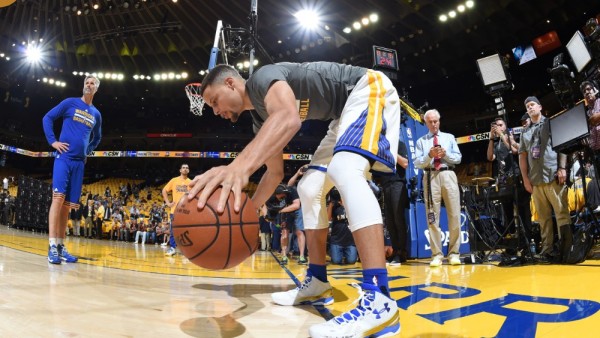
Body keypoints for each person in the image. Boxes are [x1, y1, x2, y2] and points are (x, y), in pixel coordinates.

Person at [188, 62, 401, 337]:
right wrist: (246, 216)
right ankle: (317, 281)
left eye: (214, 101)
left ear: (231, 84)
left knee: (345, 169)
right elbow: (274, 172)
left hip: (368, 88)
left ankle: (379, 300)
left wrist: (237, 167)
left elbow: (289, 117)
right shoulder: (260, 121)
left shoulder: (262, 78)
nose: (215, 111)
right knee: (310, 187)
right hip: (342, 115)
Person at [42, 75, 102, 264]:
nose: (88, 85)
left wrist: (87, 150)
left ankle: (60, 246)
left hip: (79, 163)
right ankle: (52, 246)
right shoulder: (70, 103)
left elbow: (97, 138)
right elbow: (48, 117)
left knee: (67, 207)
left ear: (96, 89)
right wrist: (53, 141)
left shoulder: (96, 114)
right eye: (86, 82)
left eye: (92, 83)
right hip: (64, 158)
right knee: (57, 200)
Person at [519, 96, 570, 259]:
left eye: (532, 105)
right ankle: (547, 250)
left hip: (553, 175)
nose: (530, 108)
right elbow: (522, 157)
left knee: (561, 213)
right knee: (543, 219)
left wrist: (562, 167)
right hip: (535, 181)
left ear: (540, 107)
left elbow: (562, 145)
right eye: (527, 106)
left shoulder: (551, 123)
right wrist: (525, 179)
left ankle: (566, 248)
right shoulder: (525, 132)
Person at [414, 109, 462, 267]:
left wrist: (445, 155)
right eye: (430, 122)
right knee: (432, 216)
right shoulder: (421, 141)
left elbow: (458, 158)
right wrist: (429, 155)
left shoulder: (449, 138)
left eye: (436, 121)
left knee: (454, 214)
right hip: (429, 176)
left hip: (448, 174)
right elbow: (417, 163)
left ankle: (454, 253)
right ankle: (436, 255)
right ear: (426, 123)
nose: (434, 124)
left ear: (439, 121)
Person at [378, 138, 409, 265]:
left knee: (398, 218)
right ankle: (395, 251)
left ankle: (401, 252)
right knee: (390, 221)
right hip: (386, 185)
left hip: (397, 183)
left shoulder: (400, 144)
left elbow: (405, 163)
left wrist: (391, 152)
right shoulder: (381, 147)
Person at [162, 163, 191, 256]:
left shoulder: (191, 182)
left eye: (187, 168)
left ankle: (186, 250)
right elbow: (164, 190)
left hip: (186, 211)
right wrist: (168, 203)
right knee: (173, 230)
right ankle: (172, 248)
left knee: (186, 231)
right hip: (174, 210)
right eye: (183, 167)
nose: (185, 169)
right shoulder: (174, 180)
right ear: (180, 170)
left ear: (189, 170)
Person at [327, 189, 357, 265]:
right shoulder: (334, 206)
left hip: (350, 240)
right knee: (336, 261)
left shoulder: (351, 203)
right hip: (337, 240)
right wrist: (331, 204)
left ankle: (344, 254)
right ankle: (331, 250)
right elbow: (328, 218)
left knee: (351, 261)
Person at [287, 165, 308, 264]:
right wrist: (297, 173)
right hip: (294, 208)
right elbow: (289, 185)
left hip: (304, 208)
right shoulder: (298, 183)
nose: (304, 171)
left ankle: (302, 255)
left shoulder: (311, 181)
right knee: (293, 232)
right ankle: (296, 251)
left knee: (300, 232)